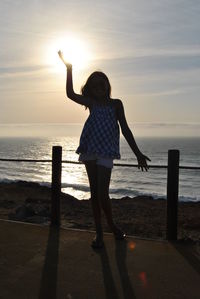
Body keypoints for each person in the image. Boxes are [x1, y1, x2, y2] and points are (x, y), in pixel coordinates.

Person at [58, 50, 151, 249]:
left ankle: (111, 226)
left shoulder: (117, 104)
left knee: (103, 194)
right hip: (91, 148)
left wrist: (138, 154)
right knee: (94, 193)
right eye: (94, 85)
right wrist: (69, 69)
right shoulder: (92, 103)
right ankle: (99, 233)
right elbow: (70, 94)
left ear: (107, 85)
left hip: (107, 151)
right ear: (90, 89)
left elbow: (125, 128)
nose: (99, 87)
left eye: (102, 84)